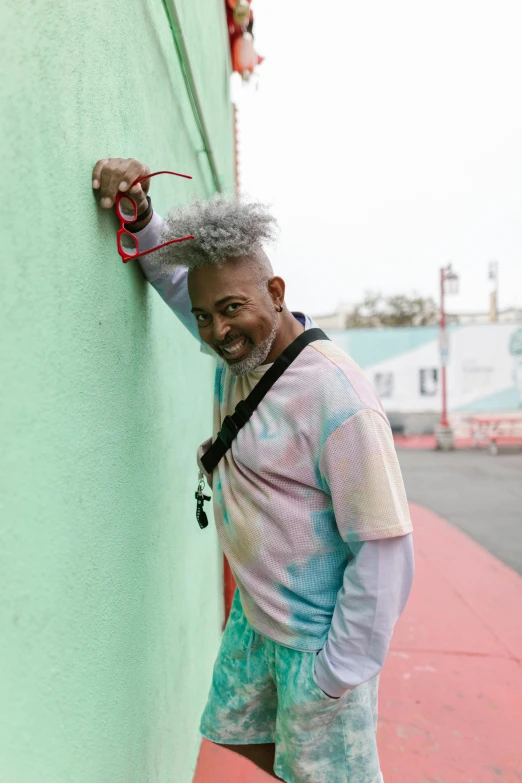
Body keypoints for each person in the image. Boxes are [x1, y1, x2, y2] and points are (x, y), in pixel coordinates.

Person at [93, 158, 414, 783]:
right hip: (257, 617)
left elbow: (385, 552)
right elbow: (179, 283)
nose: (216, 331)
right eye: (207, 315)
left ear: (277, 293)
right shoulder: (243, 344)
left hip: (315, 644)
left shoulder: (337, 399)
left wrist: (334, 676)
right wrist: (139, 214)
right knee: (238, 732)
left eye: (231, 308)